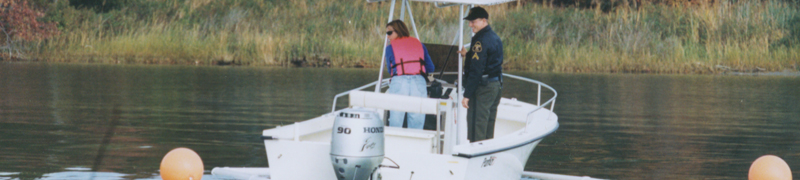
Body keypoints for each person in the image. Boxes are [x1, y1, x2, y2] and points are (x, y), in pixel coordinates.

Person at [458, 7, 503, 142]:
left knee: (477, 123)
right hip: (495, 85)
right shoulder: (494, 37)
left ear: (484, 20)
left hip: (483, 88)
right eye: (469, 22)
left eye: (473, 22)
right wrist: (468, 54)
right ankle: (487, 151)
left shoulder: (480, 40)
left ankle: (477, 153)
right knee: (488, 121)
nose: (470, 25)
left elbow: (476, 70)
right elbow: (489, 59)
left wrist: (467, 94)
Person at [384, 20, 435, 129]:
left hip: (399, 82)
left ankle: (394, 143)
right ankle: (415, 145)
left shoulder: (389, 48)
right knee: (417, 119)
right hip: (418, 83)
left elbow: (390, 69)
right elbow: (431, 67)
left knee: (396, 119)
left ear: (398, 31)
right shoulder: (420, 45)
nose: (387, 36)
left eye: (389, 33)